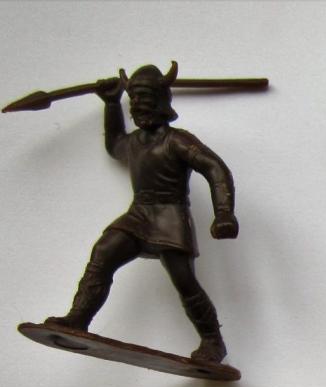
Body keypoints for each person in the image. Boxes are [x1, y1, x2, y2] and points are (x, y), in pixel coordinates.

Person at [47, 62, 238, 363]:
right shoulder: (134, 142)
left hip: (170, 216)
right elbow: (114, 145)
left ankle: (213, 342)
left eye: (145, 98)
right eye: (134, 100)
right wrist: (111, 104)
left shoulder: (176, 140)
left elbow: (215, 168)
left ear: (161, 101)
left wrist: (224, 213)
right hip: (138, 214)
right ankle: (78, 318)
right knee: (104, 252)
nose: (138, 106)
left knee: (184, 281)